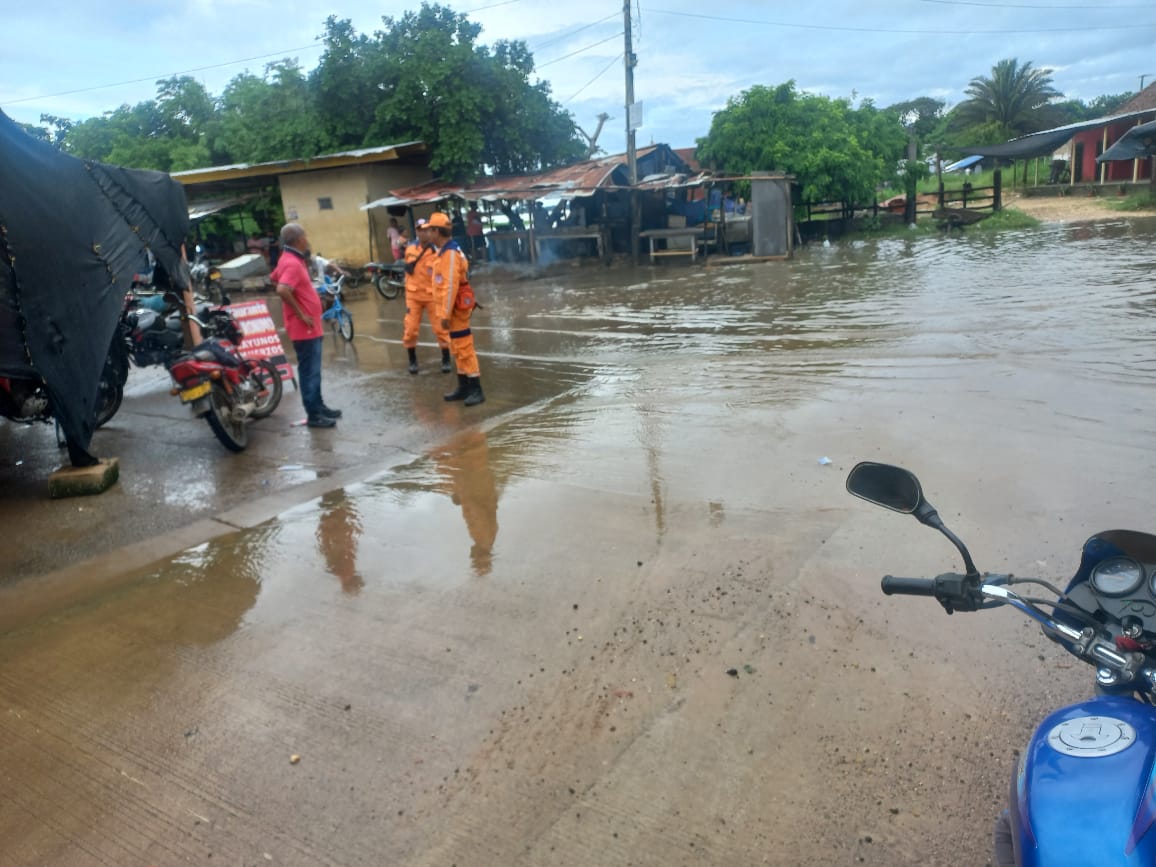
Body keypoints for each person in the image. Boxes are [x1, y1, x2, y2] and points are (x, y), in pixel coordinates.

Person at [271, 223, 340, 428]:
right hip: (304, 327)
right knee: (310, 371)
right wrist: (301, 312)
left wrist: (305, 298)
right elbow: (282, 289)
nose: (307, 239)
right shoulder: (291, 262)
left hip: (309, 325)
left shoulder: (289, 259)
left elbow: (274, 278)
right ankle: (313, 414)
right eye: (305, 236)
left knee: (313, 370)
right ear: (299, 239)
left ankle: (319, 407)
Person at [427, 211, 484, 406]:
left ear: (437, 231)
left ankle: (476, 389)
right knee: (457, 348)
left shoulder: (450, 253)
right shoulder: (443, 252)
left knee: (464, 348)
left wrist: (444, 313)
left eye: (430, 230)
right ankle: (464, 386)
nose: (427, 234)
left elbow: (451, 285)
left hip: (455, 308)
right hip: (451, 308)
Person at [402, 218, 451, 375]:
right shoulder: (409, 249)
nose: (423, 232)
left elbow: (443, 273)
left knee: (440, 329)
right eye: (420, 230)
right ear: (416, 231)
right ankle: (412, 360)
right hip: (413, 295)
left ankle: (446, 359)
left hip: (431, 295)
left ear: (431, 231)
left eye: (426, 229)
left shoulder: (437, 251)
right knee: (410, 329)